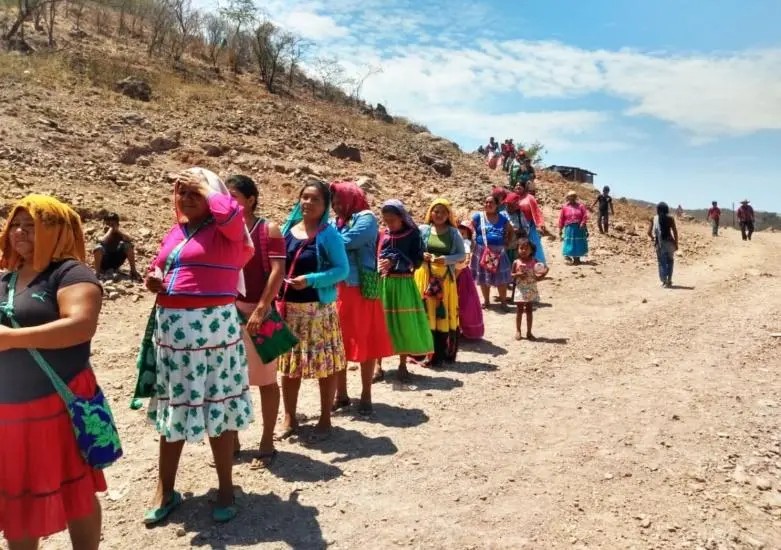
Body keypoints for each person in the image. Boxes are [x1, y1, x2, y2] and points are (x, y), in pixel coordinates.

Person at [142, 168, 254, 524]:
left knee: (215, 405)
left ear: (212, 194)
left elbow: (234, 217)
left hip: (213, 331)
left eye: (196, 193)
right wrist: (153, 279)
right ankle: (165, 489)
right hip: (173, 334)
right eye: (182, 193)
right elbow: (158, 266)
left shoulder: (228, 230)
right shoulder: (175, 233)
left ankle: (225, 488)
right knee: (173, 407)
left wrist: (207, 184)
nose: (187, 198)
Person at [0, 195, 109, 549]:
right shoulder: (8, 278)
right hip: (10, 409)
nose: (19, 231)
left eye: (31, 225)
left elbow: (80, 325)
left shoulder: (70, 273)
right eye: (15, 224)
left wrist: (12, 339)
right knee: (20, 495)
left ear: (56, 230)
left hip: (56, 404)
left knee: (75, 486)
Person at [277, 180, 349, 440]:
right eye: (304, 197)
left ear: (325, 205)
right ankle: (289, 417)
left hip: (317, 310)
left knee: (325, 365)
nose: (307, 203)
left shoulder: (328, 234)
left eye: (314, 199)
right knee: (289, 365)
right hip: (289, 310)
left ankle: (325, 418)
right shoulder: (288, 229)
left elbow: (342, 269)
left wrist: (311, 280)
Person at [227, 175, 285, 469]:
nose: (228, 200)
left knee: (265, 380)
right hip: (228, 312)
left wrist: (262, 308)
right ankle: (232, 439)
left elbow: (277, 270)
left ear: (251, 199)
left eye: (234, 195)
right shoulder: (223, 230)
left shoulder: (267, 229)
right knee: (232, 381)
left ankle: (266, 441)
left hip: (257, 312)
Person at [330, 182, 393, 416]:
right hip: (338, 289)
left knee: (365, 341)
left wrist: (327, 240)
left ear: (350, 198)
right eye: (333, 203)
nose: (336, 207)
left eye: (339, 202)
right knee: (339, 344)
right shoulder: (337, 222)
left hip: (360, 289)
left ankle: (366, 394)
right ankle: (341, 394)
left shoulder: (366, 218)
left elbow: (342, 242)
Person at [377, 200, 433, 381]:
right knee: (381, 322)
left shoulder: (412, 234)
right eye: (386, 220)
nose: (389, 224)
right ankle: (377, 366)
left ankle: (402, 364)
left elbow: (416, 261)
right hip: (384, 283)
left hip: (403, 283)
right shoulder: (382, 234)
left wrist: (395, 260)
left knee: (404, 323)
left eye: (392, 220)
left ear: (401, 218)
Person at [414, 198, 465, 367]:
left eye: (443, 212)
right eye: (436, 211)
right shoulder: (423, 230)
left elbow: (462, 255)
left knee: (440, 315)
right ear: (431, 212)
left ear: (448, 214)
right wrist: (423, 255)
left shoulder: (453, 233)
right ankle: (421, 353)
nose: (439, 215)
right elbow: (414, 249)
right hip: (424, 277)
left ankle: (439, 356)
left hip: (444, 280)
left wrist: (447, 259)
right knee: (425, 314)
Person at [471, 194, 513, 309]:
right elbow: (469, 229)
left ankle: (503, 302)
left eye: (491, 202)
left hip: (498, 253)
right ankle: (486, 301)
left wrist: (507, 241)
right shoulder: (478, 217)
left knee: (501, 278)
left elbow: (510, 230)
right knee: (484, 277)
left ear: (497, 205)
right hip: (482, 251)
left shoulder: (503, 218)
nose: (488, 204)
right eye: (486, 202)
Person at [511, 239, 546, 341]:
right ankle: (518, 331)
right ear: (517, 249)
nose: (523, 251)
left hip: (531, 289)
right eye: (521, 248)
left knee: (530, 311)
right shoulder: (516, 262)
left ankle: (529, 332)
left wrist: (542, 275)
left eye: (526, 248)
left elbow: (543, 269)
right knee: (519, 310)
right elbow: (511, 275)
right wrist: (517, 274)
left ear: (531, 250)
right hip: (520, 289)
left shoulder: (535, 261)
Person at [456, 220, 484, 340]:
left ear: (468, 235)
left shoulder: (465, 243)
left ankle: (462, 328)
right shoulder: (456, 241)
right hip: (456, 271)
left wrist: (464, 262)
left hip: (461, 274)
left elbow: (466, 256)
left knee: (462, 302)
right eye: (459, 231)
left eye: (464, 232)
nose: (461, 234)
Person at [92, 212, 141, 280]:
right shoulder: (100, 233)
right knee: (98, 247)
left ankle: (133, 271)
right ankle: (97, 273)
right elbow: (102, 240)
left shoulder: (119, 234)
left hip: (116, 260)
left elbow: (129, 239)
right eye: (108, 224)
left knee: (128, 245)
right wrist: (110, 231)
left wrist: (118, 231)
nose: (110, 226)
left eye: (112, 224)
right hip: (104, 262)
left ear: (118, 224)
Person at [647, 202, 679, 288]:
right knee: (670, 261)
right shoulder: (671, 219)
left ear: (658, 210)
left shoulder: (654, 218)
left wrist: (654, 238)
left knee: (662, 262)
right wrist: (676, 243)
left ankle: (664, 281)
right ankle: (669, 280)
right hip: (670, 243)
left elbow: (649, 232)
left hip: (660, 243)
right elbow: (675, 232)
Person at [517, 186, 548, 264]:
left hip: (531, 225)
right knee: (522, 246)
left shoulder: (530, 198)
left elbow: (537, 211)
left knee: (533, 245)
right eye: (516, 185)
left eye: (520, 185)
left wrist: (540, 223)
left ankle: (539, 265)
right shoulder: (515, 197)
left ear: (524, 188)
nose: (517, 187)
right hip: (519, 227)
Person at [558, 191, 590, 265]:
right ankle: (569, 257)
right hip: (569, 228)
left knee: (578, 243)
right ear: (568, 198)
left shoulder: (581, 206)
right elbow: (561, 218)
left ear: (575, 198)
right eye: (570, 197)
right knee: (570, 243)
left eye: (573, 197)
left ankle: (577, 259)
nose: (572, 198)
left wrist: (582, 223)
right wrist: (560, 229)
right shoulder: (565, 207)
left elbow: (585, 216)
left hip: (579, 227)